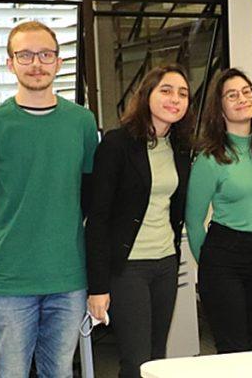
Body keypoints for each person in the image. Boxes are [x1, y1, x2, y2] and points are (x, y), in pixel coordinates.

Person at [0, 21, 98, 377]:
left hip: (67, 278)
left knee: (60, 373)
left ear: (58, 61)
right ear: (10, 63)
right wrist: (12, 238)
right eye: (25, 55)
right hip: (8, 281)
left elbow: (87, 194)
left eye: (45, 54)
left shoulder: (82, 123)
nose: (36, 63)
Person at [85, 64, 195, 377]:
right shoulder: (117, 144)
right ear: (147, 95)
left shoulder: (180, 147)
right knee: (135, 361)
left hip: (166, 263)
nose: (175, 99)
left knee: (157, 360)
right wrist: (97, 287)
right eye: (166, 90)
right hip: (128, 267)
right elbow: (98, 219)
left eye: (183, 93)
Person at [185, 68, 252, 353]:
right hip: (224, 254)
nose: (242, 98)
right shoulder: (209, 157)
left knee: (250, 342)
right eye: (232, 95)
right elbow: (194, 219)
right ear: (220, 107)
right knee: (232, 348)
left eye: (247, 91)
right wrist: (210, 265)